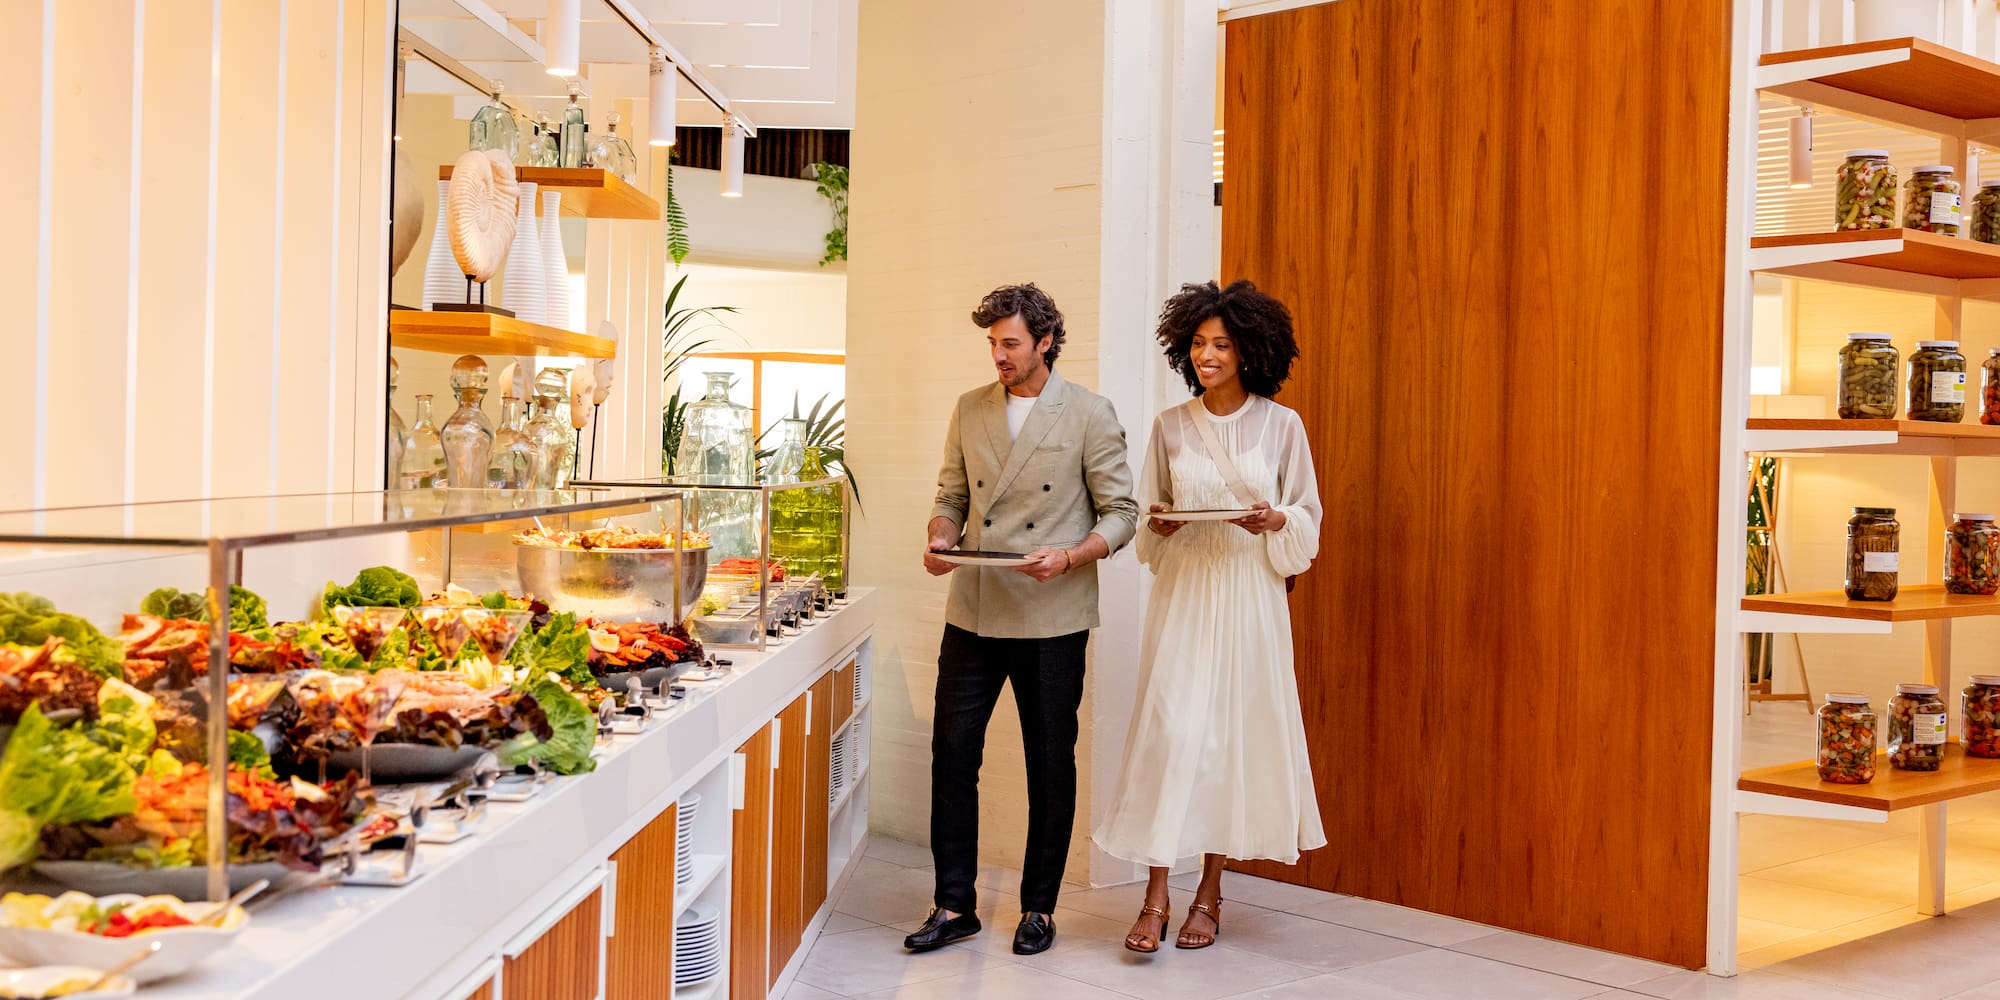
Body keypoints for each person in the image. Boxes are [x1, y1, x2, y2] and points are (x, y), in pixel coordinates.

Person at [1091, 279, 1326, 953]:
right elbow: (1145, 519)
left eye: (1221, 344)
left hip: (1249, 600)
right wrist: (1158, 528)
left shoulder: (1283, 426)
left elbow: (1305, 519)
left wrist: (1275, 517)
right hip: (1186, 597)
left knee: (1229, 740)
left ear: (1250, 350)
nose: (1207, 355)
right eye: (1198, 343)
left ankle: (1209, 894)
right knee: (1170, 734)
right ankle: (1155, 895)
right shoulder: (1170, 426)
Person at [905, 283, 1139, 957]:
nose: (999, 356)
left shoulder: (1089, 413)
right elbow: (949, 494)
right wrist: (942, 538)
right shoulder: (970, 408)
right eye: (992, 344)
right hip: (975, 606)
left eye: (1010, 343)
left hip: (1053, 614)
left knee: (1049, 763)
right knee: (952, 755)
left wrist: (1068, 556)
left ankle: (1039, 907)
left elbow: (1122, 515)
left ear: (1044, 342)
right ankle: (954, 904)